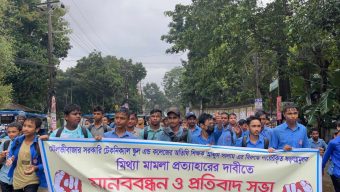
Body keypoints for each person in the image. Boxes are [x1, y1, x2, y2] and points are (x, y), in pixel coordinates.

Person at [6, 118, 47, 192]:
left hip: (32, 180)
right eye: (24, 126)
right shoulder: (17, 140)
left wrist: (36, 168)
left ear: (37, 129)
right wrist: (10, 159)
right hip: (17, 178)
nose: (25, 128)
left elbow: (46, 162)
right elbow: (11, 153)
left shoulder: (40, 143)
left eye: (29, 126)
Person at [0, 122, 22, 192]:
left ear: (20, 132)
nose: (11, 134)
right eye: (9, 132)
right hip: (4, 177)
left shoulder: (25, 144)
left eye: (14, 132)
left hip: (19, 179)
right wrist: (1, 156)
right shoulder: (5, 144)